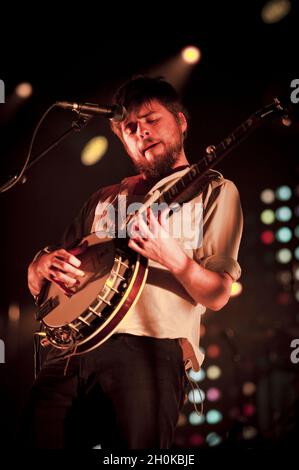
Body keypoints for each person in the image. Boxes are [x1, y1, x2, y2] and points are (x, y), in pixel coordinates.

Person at [24, 76, 243, 449]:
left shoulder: (215, 190)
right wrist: (40, 265)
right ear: (122, 139)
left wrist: (176, 259)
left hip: (150, 350)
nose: (141, 131)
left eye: (151, 119)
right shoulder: (104, 198)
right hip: (70, 352)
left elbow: (219, 293)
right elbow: (51, 282)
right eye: (130, 127)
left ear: (181, 122)